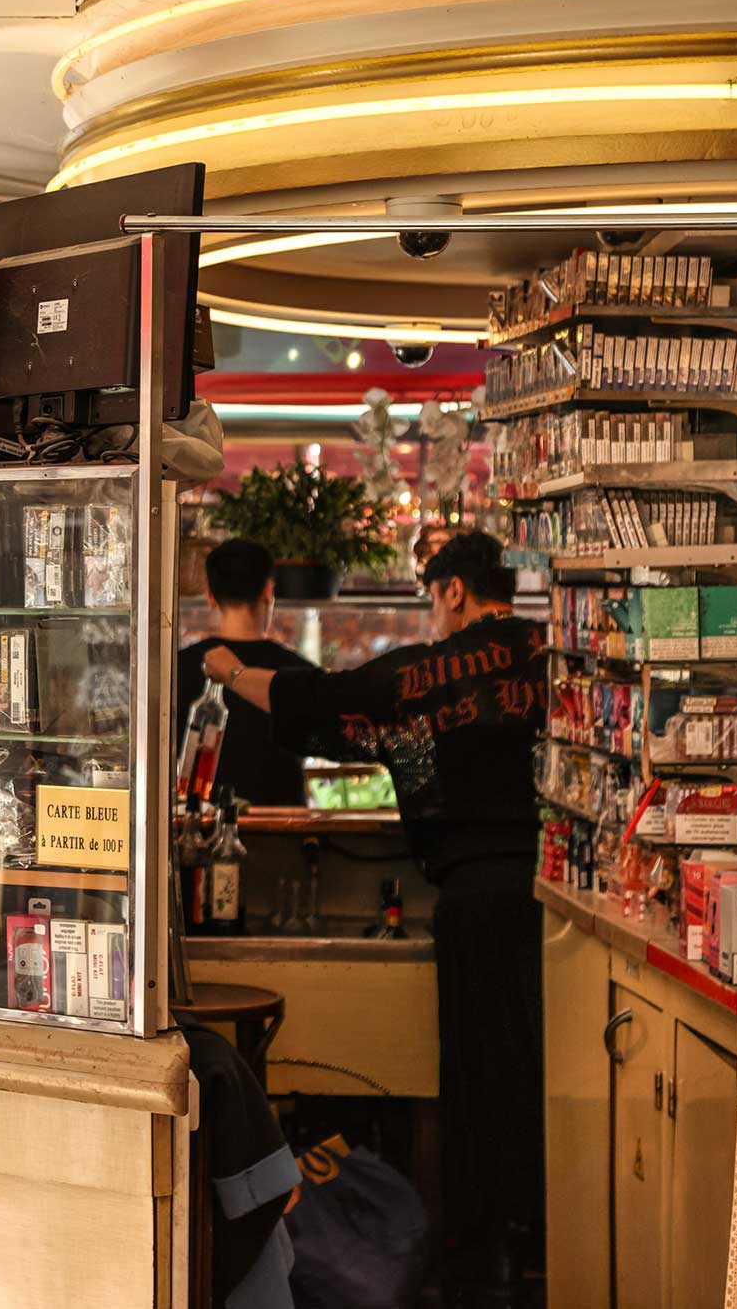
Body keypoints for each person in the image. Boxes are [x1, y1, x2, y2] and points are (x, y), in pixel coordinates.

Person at [201, 531, 545, 1299]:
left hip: (474, 904)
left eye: (432, 595)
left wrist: (228, 669)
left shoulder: (439, 668)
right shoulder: (552, 654)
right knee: (540, 1085)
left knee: (477, 1091)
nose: (432, 610)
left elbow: (335, 704)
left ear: (453, 591)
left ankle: (483, 1265)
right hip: (558, 905)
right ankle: (540, 1255)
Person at [175, 538, 315, 806]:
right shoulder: (301, 672)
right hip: (284, 832)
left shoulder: (178, 668)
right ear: (268, 590)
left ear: (210, 597)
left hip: (199, 828)